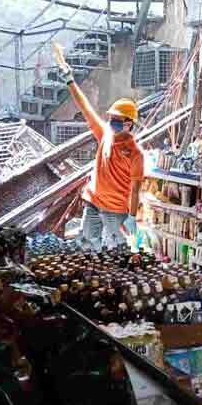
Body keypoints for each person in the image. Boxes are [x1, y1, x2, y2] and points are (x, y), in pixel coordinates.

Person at [55, 46, 144, 251]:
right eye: (111, 118)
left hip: (115, 209)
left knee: (117, 253)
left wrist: (132, 216)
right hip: (94, 201)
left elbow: (135, 190)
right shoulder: (104, 133)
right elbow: (85, 108)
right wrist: (70, 81)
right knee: (86, 248)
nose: (111, 121)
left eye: (117, 120)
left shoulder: (136, 154)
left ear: (129, 124)